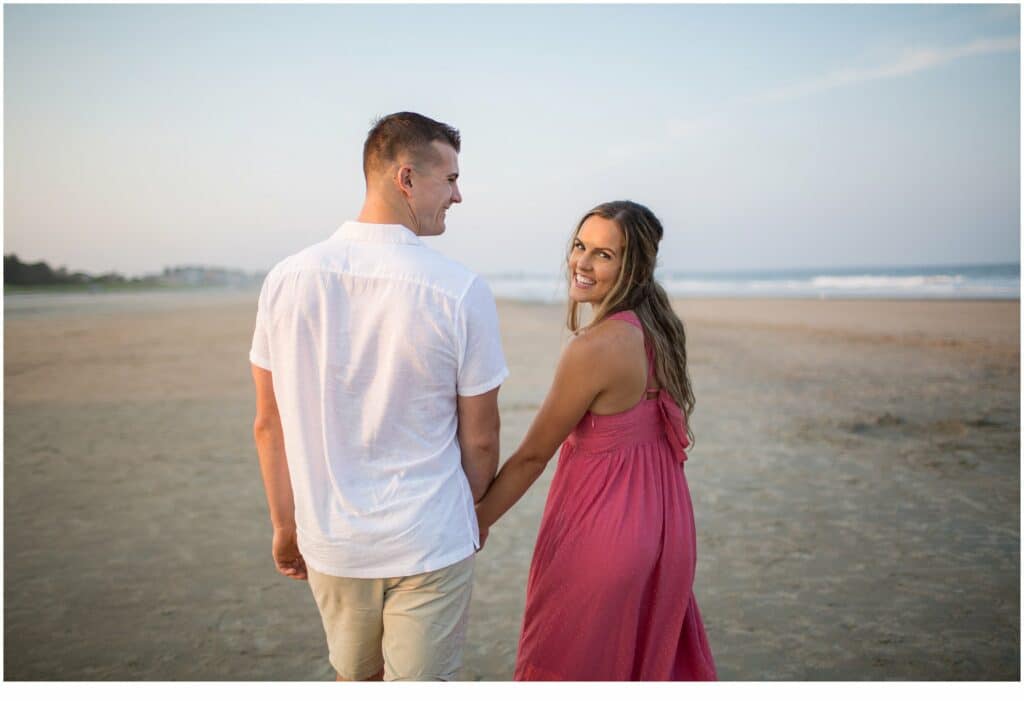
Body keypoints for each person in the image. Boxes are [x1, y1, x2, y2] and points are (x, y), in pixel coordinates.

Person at [249, 111, 508, 681]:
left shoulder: (288, 279)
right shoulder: (460, 289)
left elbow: (269, 424)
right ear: (407, 178)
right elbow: (482, 436)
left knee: (354, 681)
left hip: (331, 538)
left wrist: (285, 525)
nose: (459, 195)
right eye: (451, 178)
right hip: (429, 538)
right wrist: (473, 514)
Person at [474, 200, 717, 681]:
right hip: (667, 533)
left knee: (568, 663)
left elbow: (532, 456)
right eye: (581, 246)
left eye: (604, 255)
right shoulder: (660, 330)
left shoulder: (593, 348)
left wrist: (473, 523)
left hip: (604, 535)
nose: (582, 263)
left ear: (634, 267)